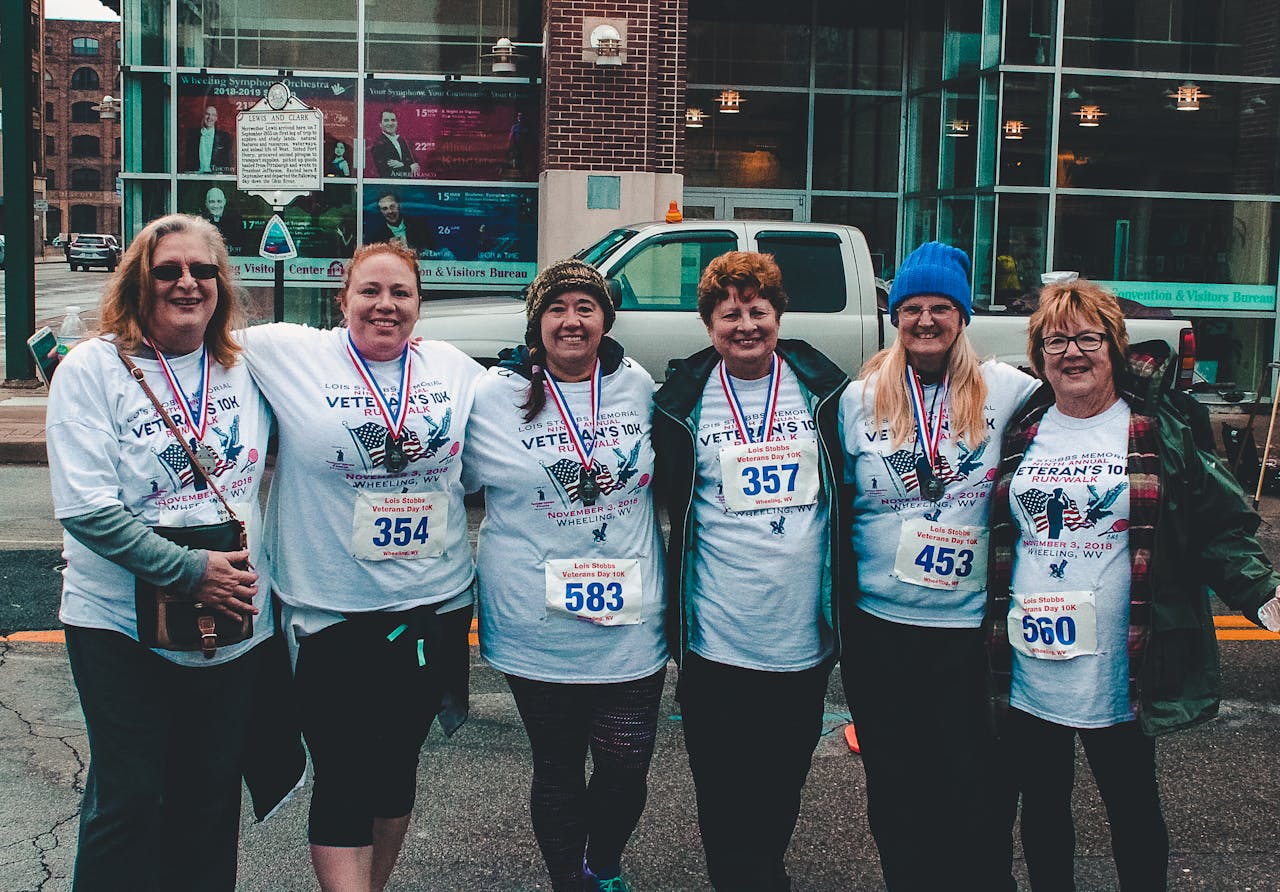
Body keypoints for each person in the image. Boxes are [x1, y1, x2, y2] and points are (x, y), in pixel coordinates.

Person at [985, 277, 1280, 891]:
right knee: (1041, 809)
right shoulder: (1023, 428)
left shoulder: (1156, 428)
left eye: (1087, 338)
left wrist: (1262, 594)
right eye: (1055, 341)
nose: (1072, 353)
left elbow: (1219, 523)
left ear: (1113, 348)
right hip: (1031, 665)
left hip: (1122, 666)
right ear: (1039, 356)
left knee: (1133, 807)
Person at [237, 240, 483, 892]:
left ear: (419, 306)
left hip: (432, 607)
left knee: (397, 769)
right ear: (341, 299)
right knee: (343, 772)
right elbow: (194, 333)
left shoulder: (454, 368)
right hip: (330, 614)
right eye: (369, 291)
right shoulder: (291, 353)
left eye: (400, 293)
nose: (385, 305)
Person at [46, 213, 273, 890]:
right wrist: (192, 571)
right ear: (138, 280)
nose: (187, 283)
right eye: (167, 269)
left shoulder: (247, 365)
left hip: (230, 631)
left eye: (203, 270)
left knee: (209, 800)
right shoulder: (93, 369)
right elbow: (87, 511)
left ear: (221, 284)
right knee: (131, 799)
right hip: (119, 627)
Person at [838, 241, 1039, 890]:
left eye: (941, 308)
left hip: (968, 636)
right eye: (913, 308)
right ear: (895, 316)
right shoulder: (858, 401)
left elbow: (1092, 418)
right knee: (895, 788)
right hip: (881, 632)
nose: (926, 320)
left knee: (975, 786)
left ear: (963, 317)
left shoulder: (1009, 393)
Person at [463, 259, 667, 892]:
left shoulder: (637, 385)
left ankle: (602, 865)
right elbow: (442, 479)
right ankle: (566, 881)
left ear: (605, 320)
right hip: (536, 620)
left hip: (629, 623)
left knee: (625, 764)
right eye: (557, 309)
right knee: (555, 764)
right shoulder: (493, 396)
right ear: (536, 324)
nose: (571, 321)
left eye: (586, 307)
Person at [653, 251, 849, 892]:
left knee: (782, 781)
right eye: (728, 313)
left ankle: (760, 870)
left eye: (757, 311)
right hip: (718, 638)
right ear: (708, 323)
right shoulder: (682, 400)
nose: (745, 325)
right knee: (721, 788)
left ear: (777, 315)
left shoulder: (825, 389)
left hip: (800, 638)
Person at [364, 191, 452, 260]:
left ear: (399, 206)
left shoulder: (419, 225)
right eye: (385, 209)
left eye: (392, 206)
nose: (390, 211)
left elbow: (433, 248)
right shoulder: (377, 235)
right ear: (381, 212)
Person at [369, 109, 420, 178]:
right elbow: (388, 171)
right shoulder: (378, 144)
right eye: (386, 120)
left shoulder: (403, 141)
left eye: (393, 120)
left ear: (397, 122)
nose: (390, 123)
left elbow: (415, 163)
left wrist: (402, 164)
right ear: (380, 124)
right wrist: (409, 167)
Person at [185, 104, 233, 173]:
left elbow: (226, 160)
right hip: (197, 176)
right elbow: (188, 159)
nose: (210, 117)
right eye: (207, 114)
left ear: (217, 118)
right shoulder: (192, 135)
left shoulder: (224, 137)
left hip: (216, 178)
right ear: (203, 116)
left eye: (213, 115)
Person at [200, 186, 245, 255]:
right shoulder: (200, 222)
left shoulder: (235, 222)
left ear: (224, 202)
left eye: (219, 201)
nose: (216, 206)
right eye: (212, 202)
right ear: (206, 204)